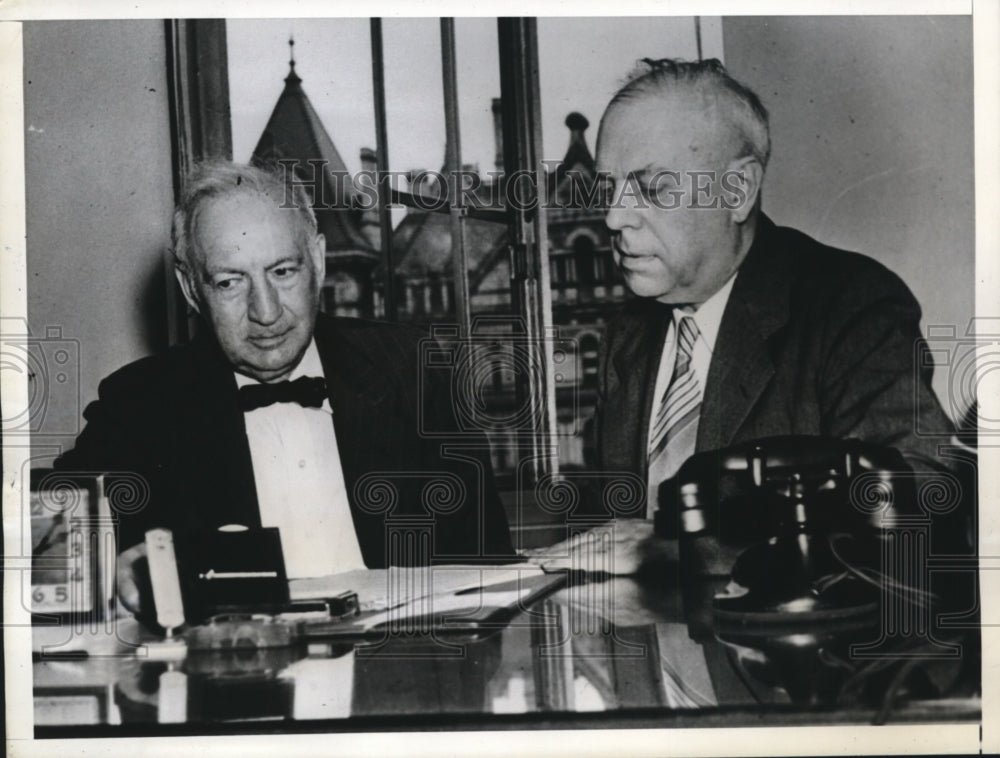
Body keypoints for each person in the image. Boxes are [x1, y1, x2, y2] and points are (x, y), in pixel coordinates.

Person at [529, 58, 961, 574]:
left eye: (653, 188)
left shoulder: (849, 306)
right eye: (609, 188)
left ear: (737, 191)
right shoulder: (630, 335)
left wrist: (685, 548)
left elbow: (916, 511)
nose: (614, 218)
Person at [56, 161, 514, 586]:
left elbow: (487, 562)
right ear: (191, 289)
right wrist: (110, 579)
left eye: (282, 271)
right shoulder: (138, 404)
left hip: (396, 664)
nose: (266, 312)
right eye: (229, 282)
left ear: (317, 261)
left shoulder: (412, 369)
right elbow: (53, 547)